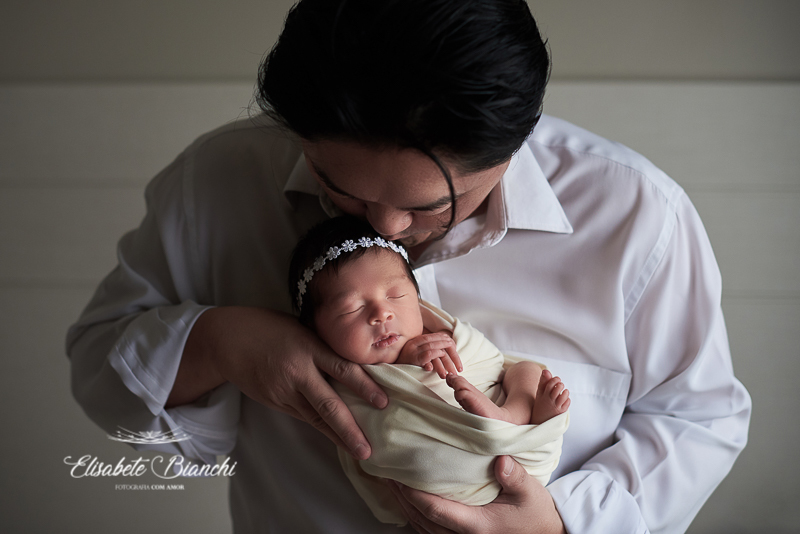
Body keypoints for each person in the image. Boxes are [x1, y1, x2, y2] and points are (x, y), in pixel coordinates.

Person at [65, 1, 751, 533]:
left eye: (432, 204)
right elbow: (102, 376)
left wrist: (566, 522)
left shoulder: (634, 212)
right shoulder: (218, 181)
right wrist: (220, 344)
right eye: (339, 188)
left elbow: (698, 418)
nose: (386, 228)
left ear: (515, 144)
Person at [288, 215, 571, 525]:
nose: (382, 313)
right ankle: (510, 424)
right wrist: (406, 367)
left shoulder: (441, 331)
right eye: (351, 308)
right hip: (450, 483)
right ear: (315, 331)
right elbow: (377, 434)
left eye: (396, 295)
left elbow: (489, 361)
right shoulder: (332, 381)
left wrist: (437, 345)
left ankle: (511, 415)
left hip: (528, 467)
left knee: (525, 369)